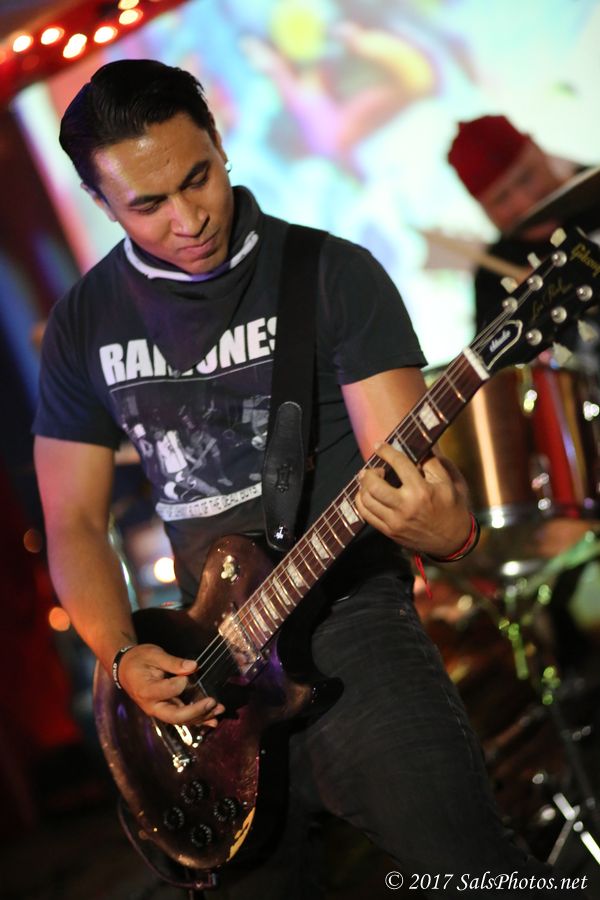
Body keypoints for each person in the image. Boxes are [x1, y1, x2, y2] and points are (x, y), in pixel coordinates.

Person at [33, 61, 573, 898]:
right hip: (208, 666)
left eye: (198, 178)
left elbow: (412, 471)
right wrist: (122, 653)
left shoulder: (330, 273)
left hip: (351, 623)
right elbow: (71, 518)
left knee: (474, 874)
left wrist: (445, 529)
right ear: (101, 204)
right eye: (148, 204)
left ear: (220, 144)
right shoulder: (82, 325)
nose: (188, 219)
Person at [447, 114, 599, 334]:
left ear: (538, 150)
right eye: (501, 199)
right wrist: (528, 311)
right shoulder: (492, 278)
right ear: (483, 209)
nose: (524, 202)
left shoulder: (595, 187)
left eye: (526, 177)